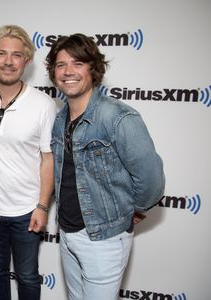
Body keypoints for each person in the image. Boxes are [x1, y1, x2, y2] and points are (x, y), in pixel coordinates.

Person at [45, 33, 165, 300]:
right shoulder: (60, 117)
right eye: (61, 64)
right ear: (53, 73)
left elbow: (151, 179)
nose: (68, 71)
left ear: (93, 68)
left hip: (103, 239)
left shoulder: (118, 117)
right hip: (67, 232)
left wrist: (130, 210)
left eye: (77, 63)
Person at [0, 25, 57, 300]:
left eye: (16, 55)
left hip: (26, 212)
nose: (8, 62)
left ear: (27, 61)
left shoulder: (43, 104)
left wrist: (42, 206)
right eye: (1, 53)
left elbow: (48, 159)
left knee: (28, 277)